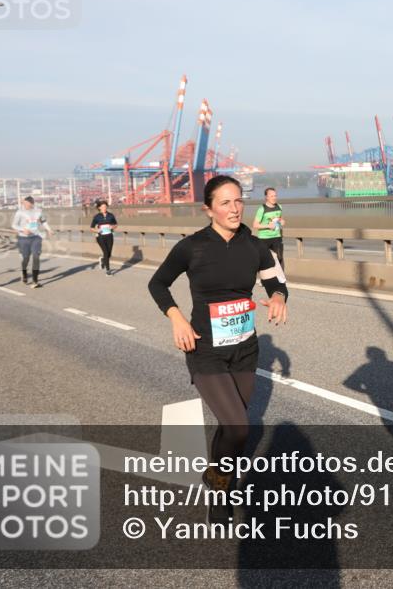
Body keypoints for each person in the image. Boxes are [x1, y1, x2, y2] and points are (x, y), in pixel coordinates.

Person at [148, 175, 289, 524]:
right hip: (205, 348)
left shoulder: (255, 245)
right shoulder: (192, 247)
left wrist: (277, 297)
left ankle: (216, 478)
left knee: (231, 427)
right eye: (225, 202)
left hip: (245, 348)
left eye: (238, 200)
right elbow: (158, 283)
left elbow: (275, 280)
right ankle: (221, 491)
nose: (234, 208)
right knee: (239, 427)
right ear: (208, 209)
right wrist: (177, 319)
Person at [11, 196, 53, 288]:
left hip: (36, 237)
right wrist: (23, 230)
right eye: (24, 203)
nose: (25, 205)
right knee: (25, 258)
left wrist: (49, 230)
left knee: (36, 256)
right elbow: (14, 225)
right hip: (23, 238)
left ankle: (35, 281)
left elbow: (43, 221)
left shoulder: (38, 211)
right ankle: (24, 272)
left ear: (31, 204)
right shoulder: (20, 212)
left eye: (27, 203)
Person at [252, 187, 285, 268]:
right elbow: (255, 225)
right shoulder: (262, 209)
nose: (274, 198)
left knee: (279, 258)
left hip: (276, 237)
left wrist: (282, 221)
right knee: (265, 260)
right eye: (271, 196)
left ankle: (279, 279)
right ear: (266, 197)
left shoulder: (279, 207)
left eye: (275, 196)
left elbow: (280, 218)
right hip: (264, 238)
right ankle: (266, 277)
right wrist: (268, 226)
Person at [90, 201, 118, 275]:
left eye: (105, 206)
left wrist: (113, 226)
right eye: (102, 207)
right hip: (100, 237)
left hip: (109, 236)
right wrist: (97, 230)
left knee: (109, 254)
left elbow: (116, 224)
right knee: (105, 252)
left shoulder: (111, 215)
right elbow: (91, 228)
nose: (104, 208)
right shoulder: (96, 217)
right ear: (99, 208)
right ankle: (108, 270)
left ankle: (103, 260)